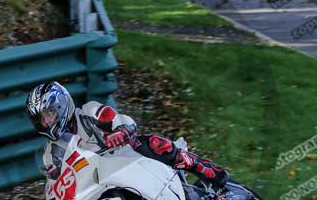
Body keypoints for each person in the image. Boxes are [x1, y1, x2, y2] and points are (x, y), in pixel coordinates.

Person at [25, 81, 228, 189]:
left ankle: (203, 167)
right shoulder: (51, 153)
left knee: (155, 144)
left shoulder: (87, 112)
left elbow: (113, 116)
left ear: (61, 104)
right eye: (41, 119)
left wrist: (120, 130)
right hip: (101, 182)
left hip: (127, 157)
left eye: (49, 113)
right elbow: (56, 183)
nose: (46, 122)